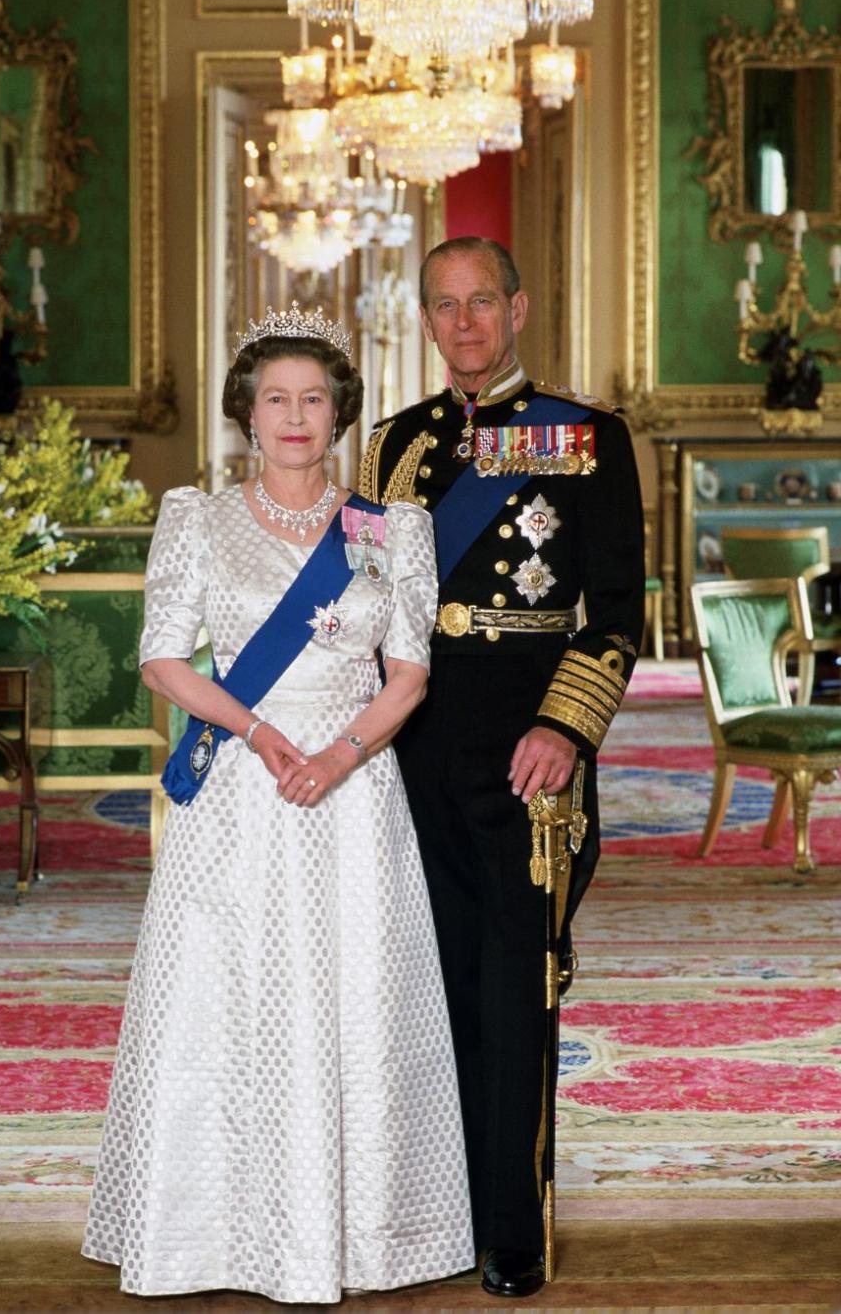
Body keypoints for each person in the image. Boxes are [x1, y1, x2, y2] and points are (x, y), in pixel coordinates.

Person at [82, 303, 475, 1303]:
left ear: (338, 411)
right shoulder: (197, 518)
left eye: (313, 398)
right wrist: (261, 735)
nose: (295, 417)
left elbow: (410, 674)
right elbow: (162, 659)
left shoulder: (391, 529)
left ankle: (365, 1234)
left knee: (358, 998)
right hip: (244, 791)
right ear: (246, 415)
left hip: (353, 788)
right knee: (227, 997)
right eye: (275, 400)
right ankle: (208, 1232)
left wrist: (339, 753)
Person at [359, 237, 646, 1298]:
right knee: (434, 986)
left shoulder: (587, 437)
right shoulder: (392, 447)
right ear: (426, 318)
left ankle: (512, 1228)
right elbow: (363, 603)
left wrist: (566, 729)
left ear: (518, 308)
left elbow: (618, 615)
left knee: (515, 990)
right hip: (415, 747)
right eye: (446, 305)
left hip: (529, 756)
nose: (466, 322)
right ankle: (442, 1208)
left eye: (484, 301)